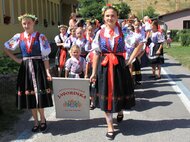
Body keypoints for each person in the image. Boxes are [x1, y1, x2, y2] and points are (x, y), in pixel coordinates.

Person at [90, 6, 136, 140]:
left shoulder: (123, 31)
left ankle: (120, 110)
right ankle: (110, 126)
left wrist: (130, 60)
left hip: (119, 66)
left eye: (113, 15)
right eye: (107, 16)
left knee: (119, 91)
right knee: (106, 94)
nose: (110, 18)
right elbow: (96, 53)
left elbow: (141, 42)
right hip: (104, 66)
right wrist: (93, 73)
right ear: (104, 17)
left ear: (117, 17)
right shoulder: (99, 33)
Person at [3, 14, 53, 132]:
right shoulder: (18, 37)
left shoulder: (41, 37)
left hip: (38, 67)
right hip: (26, 68)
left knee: (39, 95)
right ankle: (35, 121)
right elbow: (6, 48)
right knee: (30, 96)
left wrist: (47, 72)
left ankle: (43, 120)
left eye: (29, 23)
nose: (26, 25)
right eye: (24, 23)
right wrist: (17, 60)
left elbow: (45, 56)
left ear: (34, 22)